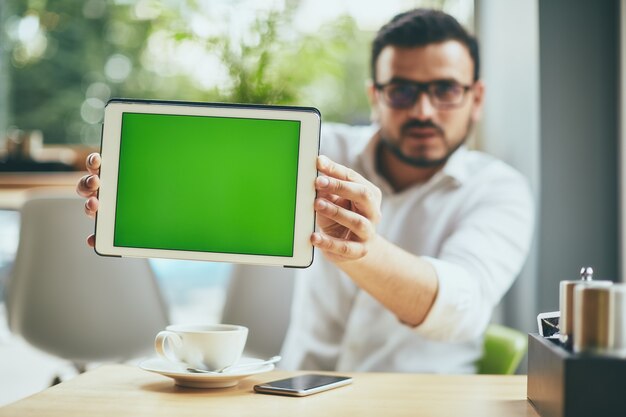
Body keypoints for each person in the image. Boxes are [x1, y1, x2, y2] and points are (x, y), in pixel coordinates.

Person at [77, 8, 533, 373]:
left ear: (476, 98)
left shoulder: (499, 190)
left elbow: (461, 310)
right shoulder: (315, 149)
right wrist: (134, 183)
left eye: (446, 90)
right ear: (375, 96)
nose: (423, 110)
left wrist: (360, 250)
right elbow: (213, 184)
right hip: (295, 392)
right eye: (402, 91)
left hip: (421, 402)